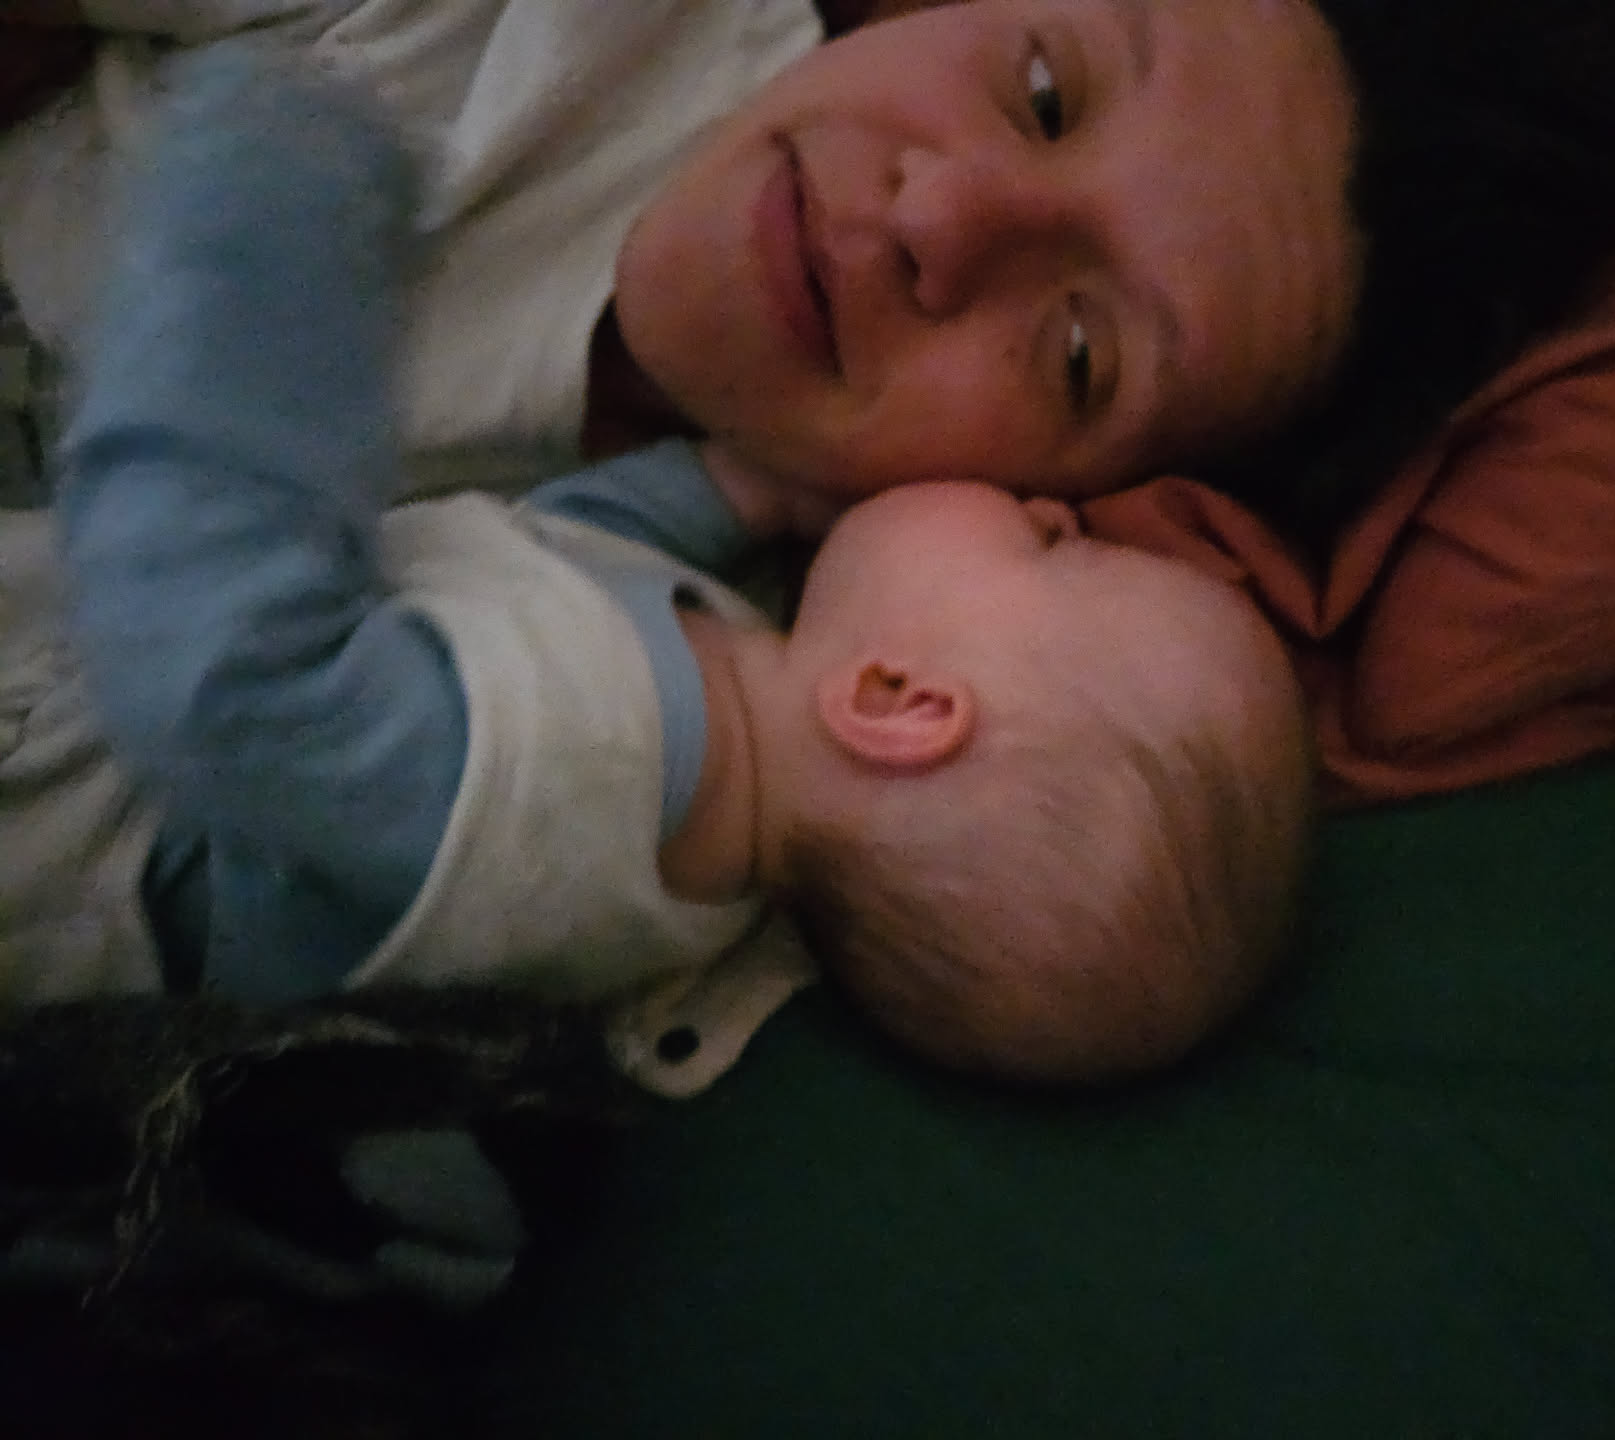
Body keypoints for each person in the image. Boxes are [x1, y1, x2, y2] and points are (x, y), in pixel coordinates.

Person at [1, 0, 1615, 805]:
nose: (942, 219)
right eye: (1044, 89)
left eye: (1080, 354)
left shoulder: (612, 718)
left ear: (1106, 511)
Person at [0, 54, 1314, 1088]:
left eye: (1053, 546)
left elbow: (225, 677)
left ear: (899, 701)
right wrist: (743, 486)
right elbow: (561, 569)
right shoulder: (703, 782)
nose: (1052, 508)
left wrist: (259, 228)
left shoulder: (562, 787)